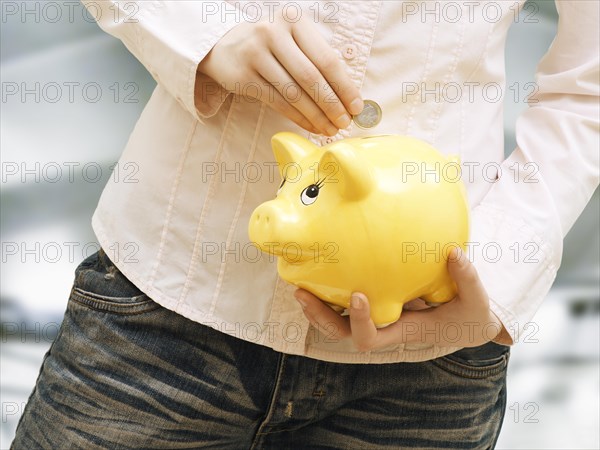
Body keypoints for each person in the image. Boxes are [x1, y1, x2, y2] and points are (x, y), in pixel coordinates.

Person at [12, 1, 599, 449]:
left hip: (428, 356)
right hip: (171, 302)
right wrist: (206, 34)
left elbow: (588, 89)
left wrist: (492, 278)